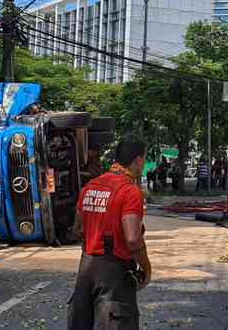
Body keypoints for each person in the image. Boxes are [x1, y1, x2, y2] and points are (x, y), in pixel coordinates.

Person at [68, 137, 151, 330]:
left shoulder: (90, 187)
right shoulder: (130, 192)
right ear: (138, 160)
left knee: (81, 323)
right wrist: (146, 268)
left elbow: (77, 229)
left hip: (86, 268)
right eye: (144, 160)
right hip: (115, 272)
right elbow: (132, 239)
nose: (143, 165)